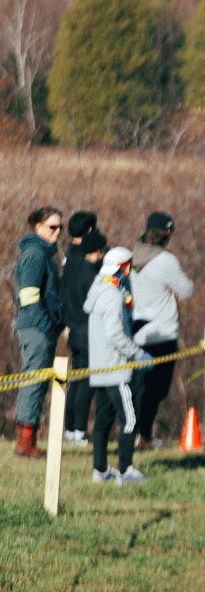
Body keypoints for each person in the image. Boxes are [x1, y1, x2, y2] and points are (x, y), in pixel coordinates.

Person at [86, 247, 152, 484]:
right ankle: (126, 471)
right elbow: (116, 334)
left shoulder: (99, 289)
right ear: (124, 266)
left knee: (103, 421)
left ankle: (101, 470)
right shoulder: (113, 295)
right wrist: (138, 354)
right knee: (130, 420)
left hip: (99, 370)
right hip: (116, 370)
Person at [129, 211, 195, 447]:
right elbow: (186, 290)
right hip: (163, 334)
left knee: (138, 387)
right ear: (167, 233)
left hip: (138, 332)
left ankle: (134, 434)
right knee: (157, 390)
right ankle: (144, 436)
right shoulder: (166, 261)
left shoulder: (134, 255)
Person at [12, 206, 62, 459]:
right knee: (34, 382)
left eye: (60, 227)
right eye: (53, 227)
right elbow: (29, 296)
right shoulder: (35, 254)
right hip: (36, 328)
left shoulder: (44, 254)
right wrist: (45, 325)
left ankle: (26, 438)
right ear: (38, 228)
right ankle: (25, 442)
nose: (58, 232)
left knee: (36, 382)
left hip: (41, 328)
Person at [62, 231, 108, 443]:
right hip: (89, 334)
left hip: (74, 333)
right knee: (86, 384)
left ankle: (69, 428)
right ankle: (80, 430)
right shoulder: (91, 276)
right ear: (98, 252)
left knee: (75, 382)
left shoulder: (72, 270)